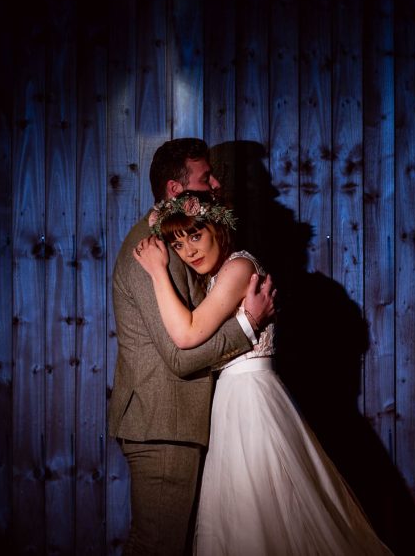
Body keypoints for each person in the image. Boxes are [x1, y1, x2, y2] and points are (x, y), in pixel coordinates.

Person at [133, 192, 393, 555]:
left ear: (218, 227)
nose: (188, 251)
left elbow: (187, 334)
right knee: (242, 517)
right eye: (177, 244)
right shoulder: (217, 277)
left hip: (252, 399)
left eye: (195, 236)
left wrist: (158, 271)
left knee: (263, 514)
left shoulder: (239, 268)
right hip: (233, 399)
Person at [107, 138, 277, 556]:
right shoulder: (148, 252)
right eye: (206, 177)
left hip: (178, 426)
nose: (216, 183)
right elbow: (180, 355)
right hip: (162, 425)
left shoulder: (175, 242)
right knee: (156, 547)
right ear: (175, 191)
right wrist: (248, 326)